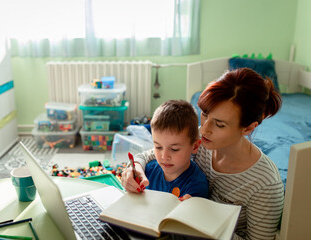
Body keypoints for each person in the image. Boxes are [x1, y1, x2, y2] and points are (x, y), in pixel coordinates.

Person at [121, 68, 285, 240]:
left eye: (219, 124)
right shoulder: (201, 140)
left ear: (248, 128)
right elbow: (151, 155)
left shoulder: (265, 184)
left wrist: (202, 222)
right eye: (205, 115)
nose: (204, 129)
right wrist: (134, 168)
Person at [138, 99, 209, 200]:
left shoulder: (197, 186)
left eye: (174, 149)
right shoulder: (148, 170)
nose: (164, 156)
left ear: (195, 146)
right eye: (158, 147)